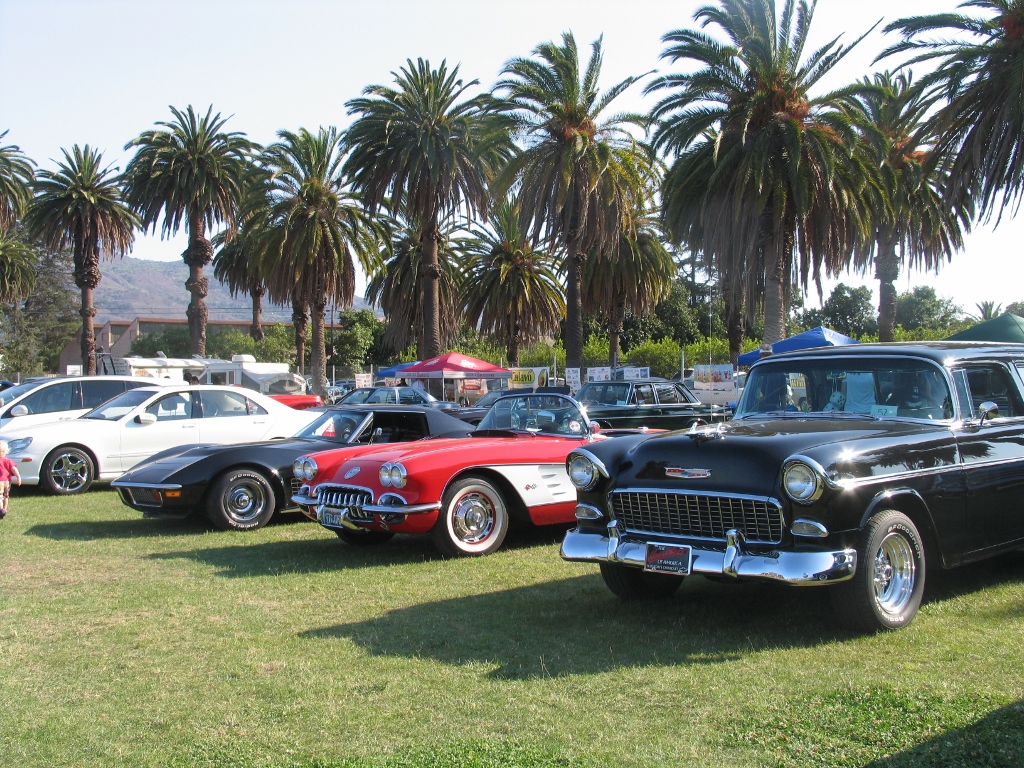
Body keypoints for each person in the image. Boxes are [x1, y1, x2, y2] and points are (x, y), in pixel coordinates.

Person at [0, 440, 22, 519]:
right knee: (6, 496)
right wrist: (18, 477)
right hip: (7, 482)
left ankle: (1, 510)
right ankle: (5, 510)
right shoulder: (8, 461)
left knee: (0, 497)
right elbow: (14, 469)